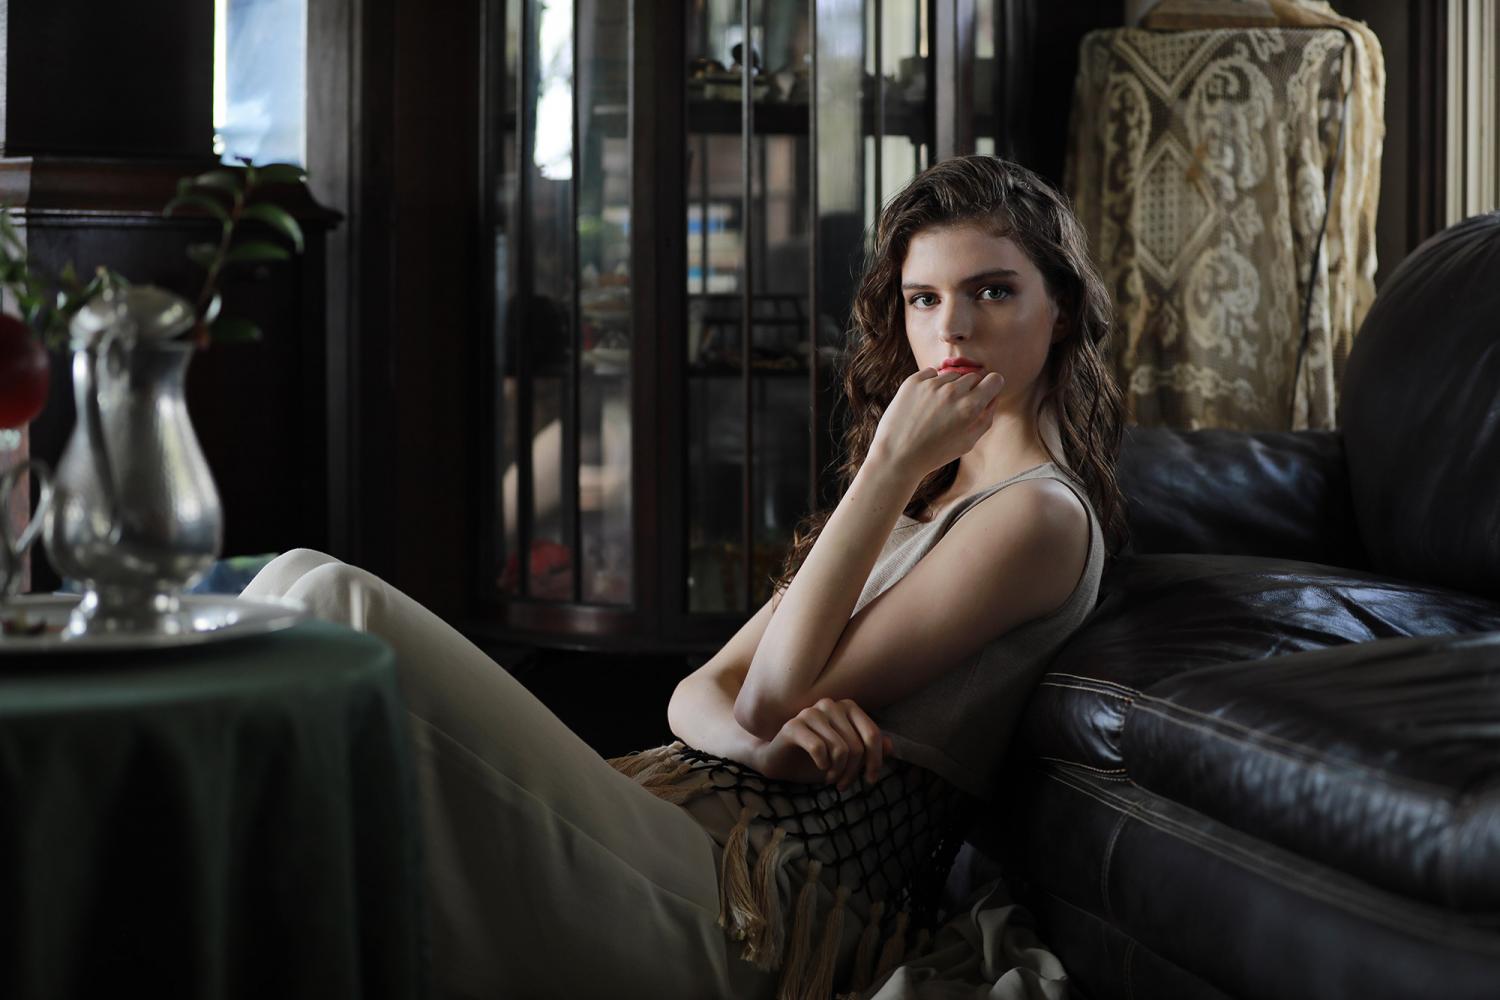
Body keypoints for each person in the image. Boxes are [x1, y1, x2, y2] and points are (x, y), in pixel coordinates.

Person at [243, 154, 1125, 1000]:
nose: (951, 330)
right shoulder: (927, 494)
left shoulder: (1035, 517)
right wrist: (756, 746)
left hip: (755, 907)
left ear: (1062, 307)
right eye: (922, 299)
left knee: (328, 602)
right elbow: (700, 694)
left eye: (992, 291)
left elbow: (766, 691)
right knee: (288, 589)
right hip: (667, 825)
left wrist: (886, 466)